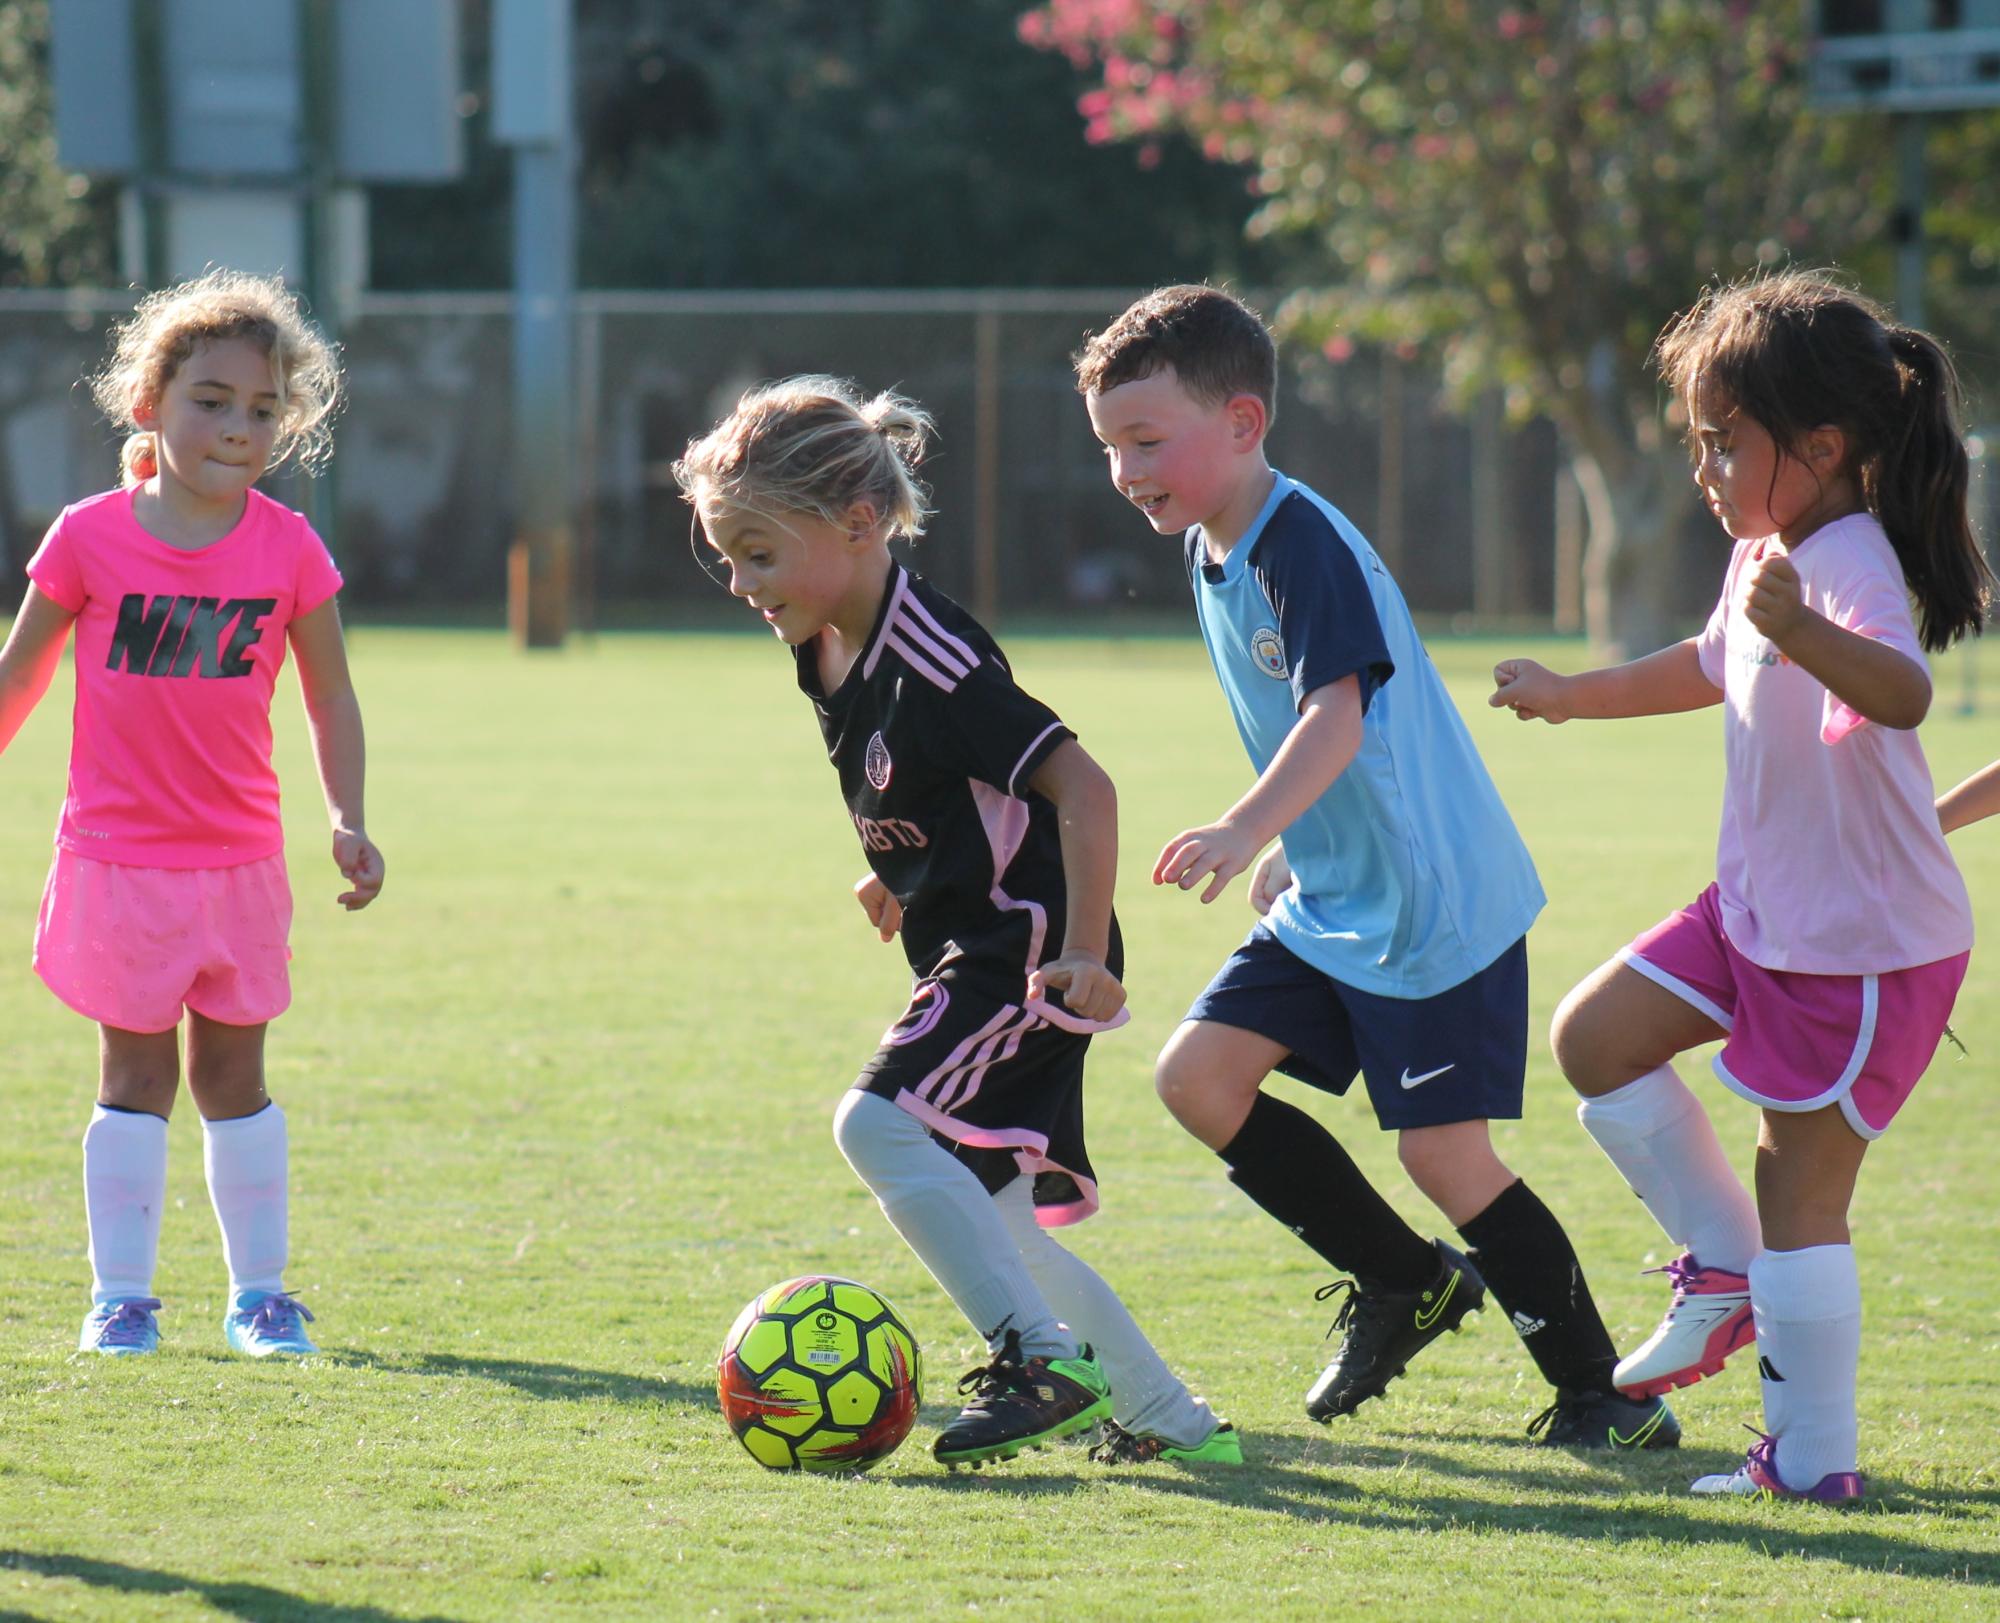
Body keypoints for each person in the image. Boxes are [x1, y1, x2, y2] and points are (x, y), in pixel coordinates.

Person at [1077, 284, 1673, 1449]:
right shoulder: (1214, 547)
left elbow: (1336, 719)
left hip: (1431, 902)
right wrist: (1295, 844)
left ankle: (1600, 1393)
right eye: (1108, 447)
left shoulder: (1296, 540)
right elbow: (1322, 742)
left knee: (1442, 1153)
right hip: (1334, 892)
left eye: (1145, 441)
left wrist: (1247, 827)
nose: (1122, 469)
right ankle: (1406, 1281)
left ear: (1242, 423)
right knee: (1197, 1080)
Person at [674, 376, 1236, 1469]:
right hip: (972, 930)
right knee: (998, 1219)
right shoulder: (823, 640)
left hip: (1025, 948)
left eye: (757, 552)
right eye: (726, 557)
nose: (741, 582)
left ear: (856, 521)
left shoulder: (935, 653)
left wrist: (1079, 951)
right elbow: (925, 789)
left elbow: (1084, 790)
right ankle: (1171, 1422)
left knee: (874, 1123)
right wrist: (907, 875)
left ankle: (1038, 1361)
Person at [1492, 269, 1991, 1503]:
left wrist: (1809, 627)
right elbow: (1707, 662)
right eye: (1695, 443)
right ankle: (1722, 1272)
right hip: (1756, 910)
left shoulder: (1845, 560)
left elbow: (1901, 690)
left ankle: (1811, 1462)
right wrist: (1570, 693)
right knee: (1592, 1039)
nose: (1704, 470)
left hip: (1859, 946)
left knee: (1797, 1191)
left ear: (1819, 448)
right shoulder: (1768, 551)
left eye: (1726, 444)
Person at [0, 269, 383, 1359]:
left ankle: (259, 1297)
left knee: (234, 1078)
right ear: (148, 406)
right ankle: (120, 1300)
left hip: (239, 865)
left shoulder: (290, 549)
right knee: (133, 1077)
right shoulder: (86, 537)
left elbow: (330, 695)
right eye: (210, 400)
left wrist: (346, 815)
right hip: (118, 862)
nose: (237, 427)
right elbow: (20, 677)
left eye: (263, 409)